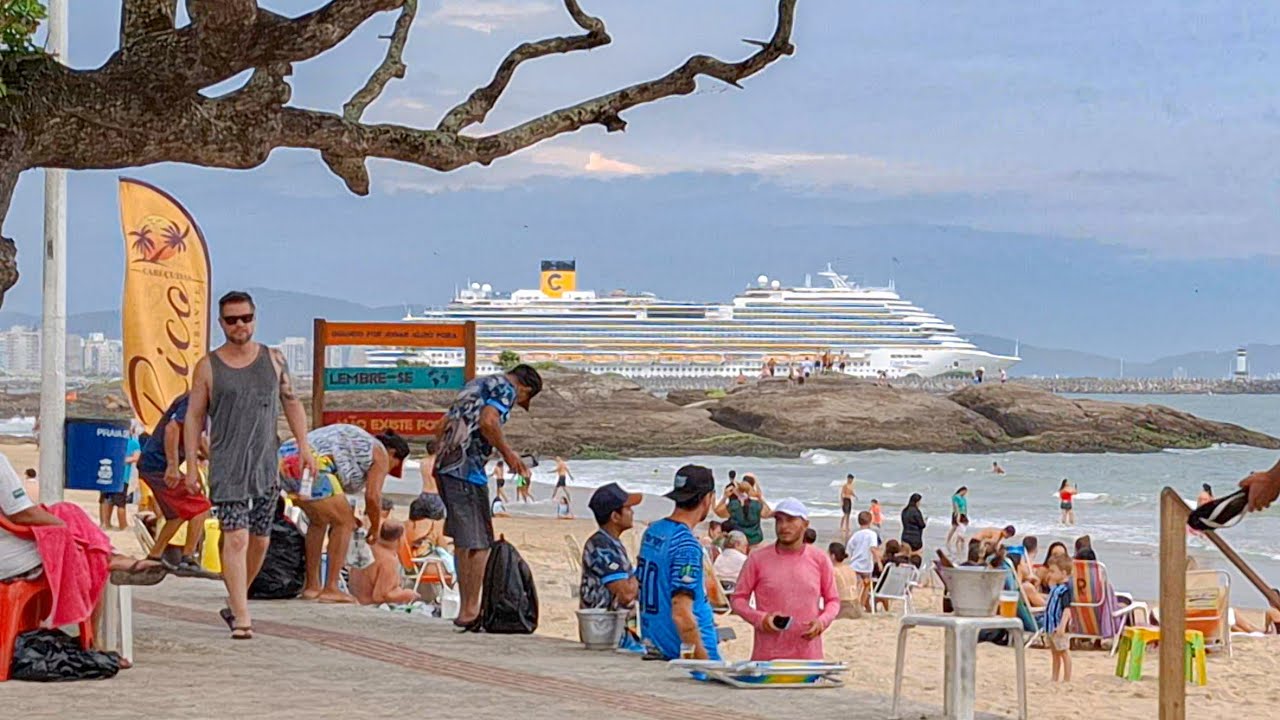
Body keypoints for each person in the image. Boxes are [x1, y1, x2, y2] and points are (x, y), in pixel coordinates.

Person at [186, 290, 317, 640]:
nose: (240, 325)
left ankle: (236, 599)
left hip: (265, 464)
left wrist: (304, 447)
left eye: (246, 318)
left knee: (260, 539)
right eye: (232, 320)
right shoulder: (208, 367)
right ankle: (242, 617)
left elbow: (291, 402)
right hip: (227, 466)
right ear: (221, 323)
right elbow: (194, 416)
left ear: (254, 319)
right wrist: (190, 465)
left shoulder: (273, 360)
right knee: (236, 538)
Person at [433, 363, 542, 630]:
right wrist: (509, 455)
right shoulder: (505, 388)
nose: (517, 404)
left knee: (463, 541)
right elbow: (488, 421)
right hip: (467, 471)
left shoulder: (474, 385)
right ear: (525, 388)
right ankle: (472, 610)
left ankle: (465, 607)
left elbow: (441, 425)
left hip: (446, 465)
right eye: (523, 400)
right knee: (479, 542)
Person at [278, 423, 410, 603]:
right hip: (313, 463)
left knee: (319, 522)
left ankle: (312, 586)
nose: (387, 472)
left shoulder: (358, 444)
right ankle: (331, 588)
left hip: (286, 459)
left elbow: (331, 497)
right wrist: (374, 527)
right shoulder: (380, 453)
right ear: (393, 453)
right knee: (345, 523)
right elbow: (373, 497)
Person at [730, 498, 839, 661]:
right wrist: (761, 619)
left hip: (808, 658)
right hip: (767, 658)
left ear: (805, 524)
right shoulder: (757, 559)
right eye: (779, 520)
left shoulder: (820, 559)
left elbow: (833, 600)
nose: (783, 526)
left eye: (790, 520)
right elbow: (738, 599)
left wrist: (822, 622)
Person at [637, 465, 720, 661]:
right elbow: (681, 614)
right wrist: (704, 663)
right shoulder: (686, 545)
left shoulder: (653, 532)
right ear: (707, 499)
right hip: (684, 655)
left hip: (655, 645)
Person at [136, 392, 214, 577]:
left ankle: (155, 556)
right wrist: (172, 466)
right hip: (158, 465)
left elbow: (198, 439)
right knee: (200, 507)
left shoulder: (202, 406)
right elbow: (172, 429)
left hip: (155, 464)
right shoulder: (196, 400)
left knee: (177, 515)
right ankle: (188, 558)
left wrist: (213, 460)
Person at [580, 483, 642, 615]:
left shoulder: (610, 541)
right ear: (615, 517)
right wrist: (644, 563)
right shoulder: (602, 546)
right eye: (628, 508)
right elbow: (626, 594)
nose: (632, 512)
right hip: (603, 624)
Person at [349, 522, 420, 606]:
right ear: (400, 539)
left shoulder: (369, 548)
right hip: (369, 605)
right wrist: (407, 594)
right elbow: (380, 595)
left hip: (356, 599)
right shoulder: (388, 560)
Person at [714, 479, 773, 549]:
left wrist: (725, 496)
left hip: (738, 542)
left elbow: (718, 512)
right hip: (755, 541)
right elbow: (769, 513)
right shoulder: (756, 505)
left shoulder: (733, 505)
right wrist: (759, 497)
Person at [99, 431, 139, 530]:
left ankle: (105, 523)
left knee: (106, 499)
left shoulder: (110, 439)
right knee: (120, 503)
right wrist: (123, 460)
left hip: (108, 473)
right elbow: (136, 457)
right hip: (121, 477)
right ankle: (122, 525)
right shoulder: (133, 442)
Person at [1043, 555, 1074, 681]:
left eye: (1053, 571)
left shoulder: (1064, 590)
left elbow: (1067, 610)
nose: (1050, 574)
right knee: (1055, 653)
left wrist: (1062, 626)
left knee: (1064, 652)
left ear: (1063, 573)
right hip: (1051, 625)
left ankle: (1067, 678)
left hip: (1058, 625)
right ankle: (1054, 676)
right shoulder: (1055, 588)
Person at [844, 510, 879, 612]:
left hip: (855, 564)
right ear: (870, 521)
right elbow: (873, 548)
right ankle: (861, 605)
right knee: (866, 585)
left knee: (856, 586)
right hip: (866, 565)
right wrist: (878, 561)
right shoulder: (872, 534)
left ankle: (856, 604)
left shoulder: (855, 535)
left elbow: (849, 550)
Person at [827, 543, 862, 620]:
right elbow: (859, 584)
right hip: (856, 607)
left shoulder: (833, 571)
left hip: (843, 608)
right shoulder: (850, 569)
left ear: (833, 556)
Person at [946, 487, 968, 553]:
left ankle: (958, 541)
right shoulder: (955, 497)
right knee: (954, 527)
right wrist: (957, 515)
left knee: (961, 527)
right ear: (962, 490)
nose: (965, 493)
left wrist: (966, 514)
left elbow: (965, 507)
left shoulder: (963, 498)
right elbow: (956, 506)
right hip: (957, 513)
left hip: (963, 514)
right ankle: (948, 540)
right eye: (965, 492)